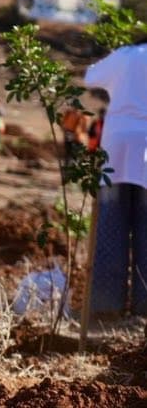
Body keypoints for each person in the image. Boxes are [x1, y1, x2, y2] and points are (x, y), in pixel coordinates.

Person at [84, 40, 147, 316]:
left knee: (111, 223)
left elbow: (90, 77)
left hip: (116, 146)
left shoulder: (125, 55)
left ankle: (105, 305)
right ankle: (143, 308)